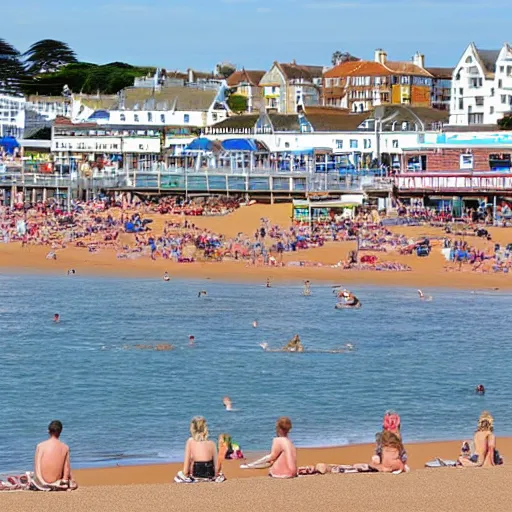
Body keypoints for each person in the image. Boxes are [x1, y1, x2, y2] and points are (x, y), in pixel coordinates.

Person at [33, 420, 77, 490]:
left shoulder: (40, 446)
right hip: (56, 482)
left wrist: (41, 481)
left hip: (41, 483)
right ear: (61, 431)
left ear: (48, 431)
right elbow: (67, 469)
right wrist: (66, 480)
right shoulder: (65, 447)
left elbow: (37, 467)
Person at [177, 417, 221, 481]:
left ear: (192, 428)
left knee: (179, 475)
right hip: (209, 476)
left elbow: (186, 470)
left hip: (195, 476)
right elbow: (217, 469)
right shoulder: (212, 443)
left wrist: (185, 475)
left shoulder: (190, 441)